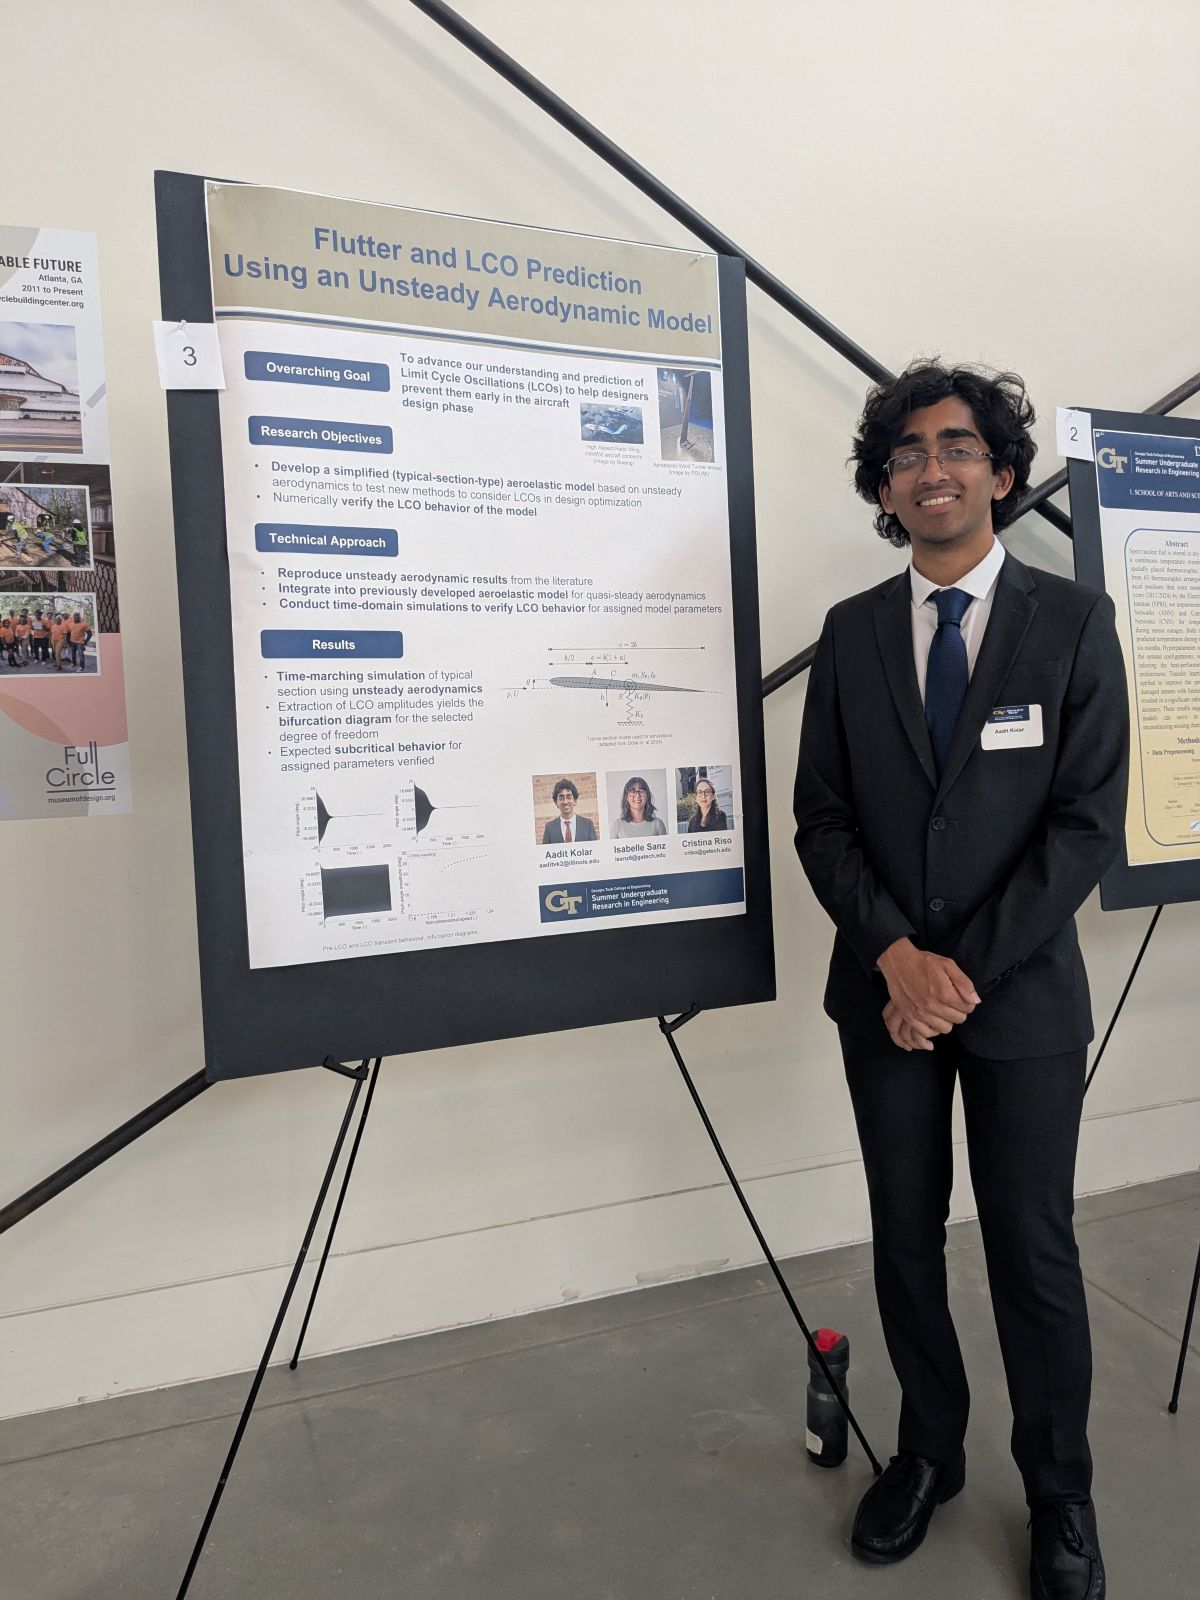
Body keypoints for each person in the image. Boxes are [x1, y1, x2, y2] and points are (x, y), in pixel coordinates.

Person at [794, 362, 1128, 1600]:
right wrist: (896, 956)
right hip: (883, 997)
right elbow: (822, 819)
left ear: (1001, 470)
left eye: (956, 446)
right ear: (886, 489)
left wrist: (956, 973)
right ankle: (928, 1451)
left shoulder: (1073, 622)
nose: (931, 469)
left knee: (1033, 1246)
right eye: (906, 455)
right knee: (905, 1234)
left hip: (1020, 999)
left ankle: (1060, 1492)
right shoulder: (850, 634)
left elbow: (1084, 826)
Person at [541, 778, 597, 844]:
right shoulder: (549, 828)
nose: (565, 802)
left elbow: (595, 849)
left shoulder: (588, 825)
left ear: (575, 801)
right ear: (556, 802)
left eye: (569, 797)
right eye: (561, 798)